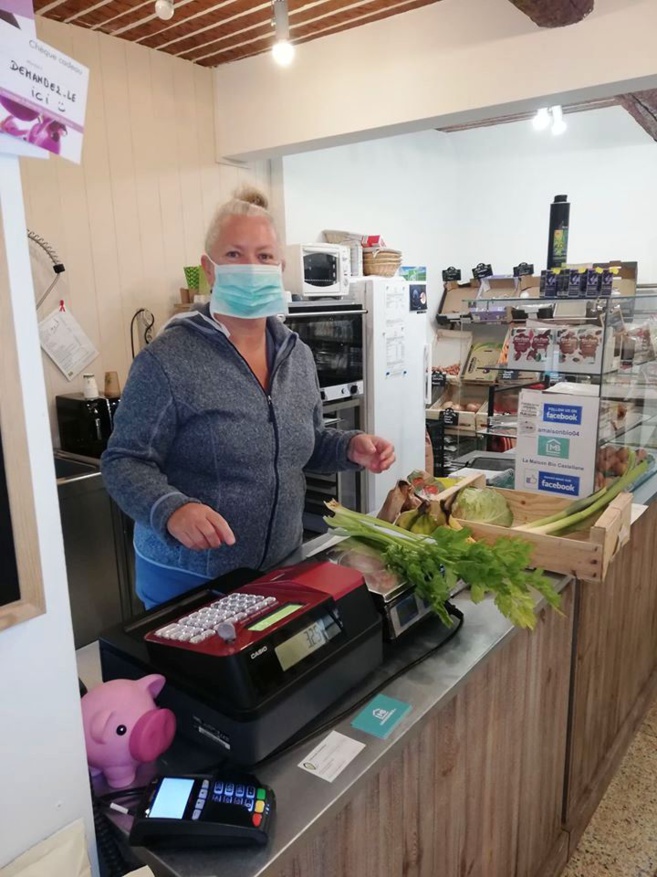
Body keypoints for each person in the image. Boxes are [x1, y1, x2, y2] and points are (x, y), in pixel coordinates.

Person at [101, 186, 395, 609]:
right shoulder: (167, 360)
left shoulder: (298, 355)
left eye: (264, 256)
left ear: (280, 267)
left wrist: (350, 447)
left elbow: (301, 445)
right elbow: (123, 461)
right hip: (188, 577)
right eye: (235, 255)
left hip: (280, 564)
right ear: (210, 268)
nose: (252, 268)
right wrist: (171, 509)